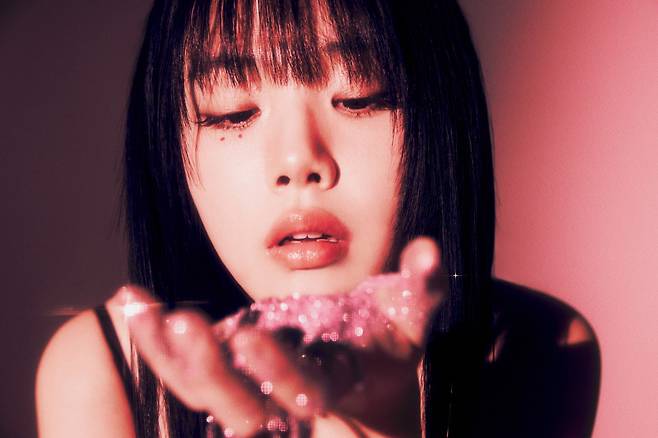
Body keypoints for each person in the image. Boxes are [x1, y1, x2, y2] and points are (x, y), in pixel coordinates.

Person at [35, 0, 601, 437]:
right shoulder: (100, 369)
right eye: (232, 111)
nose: (297, 161)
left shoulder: (533, 347)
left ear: (441, 119)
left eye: (359, 96)